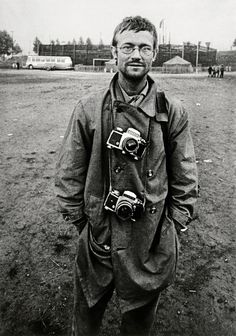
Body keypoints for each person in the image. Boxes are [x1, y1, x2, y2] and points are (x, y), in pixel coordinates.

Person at [55, 15, 198, 336]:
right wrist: (86, 225)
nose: (136, 55)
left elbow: (186, 176)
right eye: (129, 47)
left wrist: (171, 226)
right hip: (98, 239)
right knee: (86, 318)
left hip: (149, 240)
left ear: (155, 54)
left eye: (145, 48)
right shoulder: (89, 108)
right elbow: (69, 175)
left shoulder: (172, 111)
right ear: (114, 52)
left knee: (138, 324)